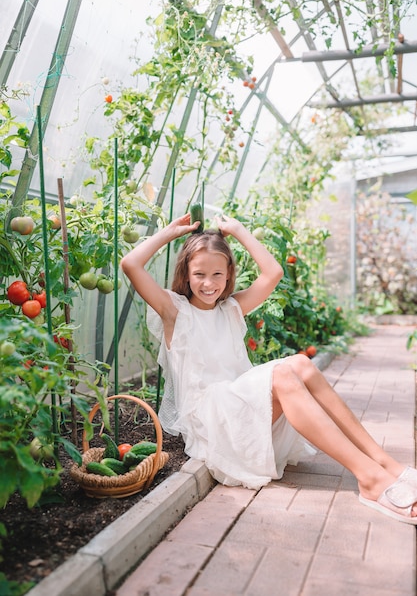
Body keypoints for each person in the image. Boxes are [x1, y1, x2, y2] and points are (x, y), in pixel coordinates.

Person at [121, 212, 417, 525]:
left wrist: (239, 230)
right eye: (199, 274)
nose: (208, 283)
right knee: (284, 374)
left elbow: (273, 272)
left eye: (217, 275)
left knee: (301, 363)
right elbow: (130, 264)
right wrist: (168, 233)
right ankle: (370, 479)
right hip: (211, 420)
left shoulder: (231, 309)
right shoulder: (173, 310)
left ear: (228, 275)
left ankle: (385, 463)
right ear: (186, 273)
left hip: (241, 407)